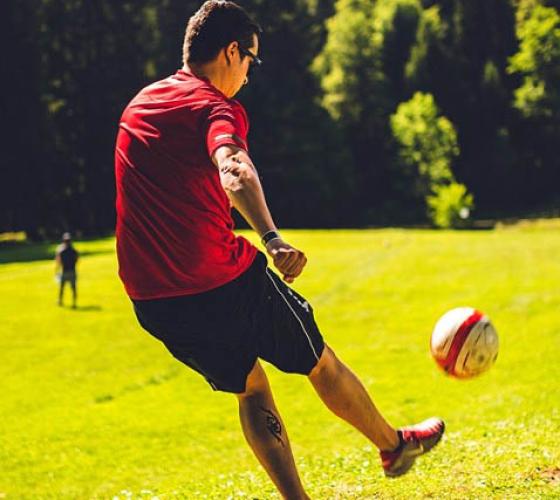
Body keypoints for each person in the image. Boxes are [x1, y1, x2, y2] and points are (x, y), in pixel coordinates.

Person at [114, 2, 444, 497]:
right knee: (319, 360)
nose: (248, 74)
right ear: (231, 52)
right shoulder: (214, 106)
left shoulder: (140, 104)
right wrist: (270, 237)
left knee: (251, 385)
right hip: (220, 282)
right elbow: (234, 169)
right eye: (250, 60)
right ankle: (394, 446)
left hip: (153, 300)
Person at [55, 232, 78, 308]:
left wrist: (57, 271)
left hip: (64, 271)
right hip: (72, 271)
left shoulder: (61, 251)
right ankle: (74, 303)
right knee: (73, 288)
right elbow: (77, 260)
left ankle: (60, 301)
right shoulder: (74, 251)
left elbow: (58, 261)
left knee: (62, 288)